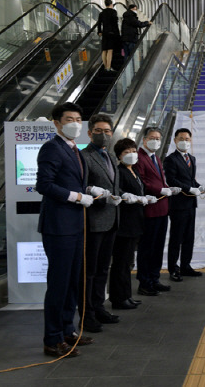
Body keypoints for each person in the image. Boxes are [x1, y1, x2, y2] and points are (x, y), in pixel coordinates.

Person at [37, 102, 94, 357]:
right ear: (57, 123)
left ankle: (67, 330)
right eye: (69, 119)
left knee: (73, 281)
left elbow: (74, 181)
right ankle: (52, 338)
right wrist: (76, 197)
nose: (75, 123)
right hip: (59, 226)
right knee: (59, 283)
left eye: (79, 119)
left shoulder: (75, 149)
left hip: (76, 225)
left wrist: (90, 191)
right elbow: (44, 185)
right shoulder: (52, 147)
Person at [79, 114, 122, 333]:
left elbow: (114, 186)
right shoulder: (83, 156)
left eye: (107, 131)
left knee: (103, 268)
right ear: (89, 133)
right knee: (89, 271)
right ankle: (86, 314)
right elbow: (80, 185)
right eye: (98, 131)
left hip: (111, 220)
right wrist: (91, 191)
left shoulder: (111, 157)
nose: (103, 135)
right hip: (93, 221)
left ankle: (98, 307)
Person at [109, 138, 154, 310]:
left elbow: (140, 191)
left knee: (128, 261)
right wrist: (128, 196)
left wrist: (146, 198)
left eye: (133, 151)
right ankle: (118, 298)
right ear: (119, 155)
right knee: (120, 262)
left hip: (135, 222)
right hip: (124, 224)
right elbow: (117, 191)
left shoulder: (134, 171)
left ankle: (127, 295)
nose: (131, 154)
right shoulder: (119, 171)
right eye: (126, 152)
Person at [134, 127, 180, 296]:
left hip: (162, 209)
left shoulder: (156, 158)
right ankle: (144, 282)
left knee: (158, 247)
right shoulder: (139, 158)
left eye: (158, 138)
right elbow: (142, 182)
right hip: (150, 210)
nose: (156, 141)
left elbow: (159, 180)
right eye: (152, 138)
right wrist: (160, 190)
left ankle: (154, 278)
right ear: (144, 139)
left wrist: (169, 188)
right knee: (147, 247)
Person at [164, 128, 205, 282]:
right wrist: (189, 189)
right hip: (178, 205)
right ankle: (173, 269)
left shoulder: (192, 159)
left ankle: (185, 265)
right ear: (175, 140)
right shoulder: (170, 159)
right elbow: (171, 180)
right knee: (176, 238)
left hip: (191, 204)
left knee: (189, 237)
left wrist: (199, 187)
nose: (185, 141)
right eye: (181, 138)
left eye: (187, 139)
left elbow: (191, 179)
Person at [97, 0, 120, 71]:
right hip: (111, 33)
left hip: (104, 33)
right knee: (110, 50)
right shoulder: (113, 12)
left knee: (104, 50)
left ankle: (105, 66)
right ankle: (108, 67)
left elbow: (99, 23)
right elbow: (115, 23)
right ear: (111, 4)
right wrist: (117, 34)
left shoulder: (102, 13)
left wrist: (99, 31)